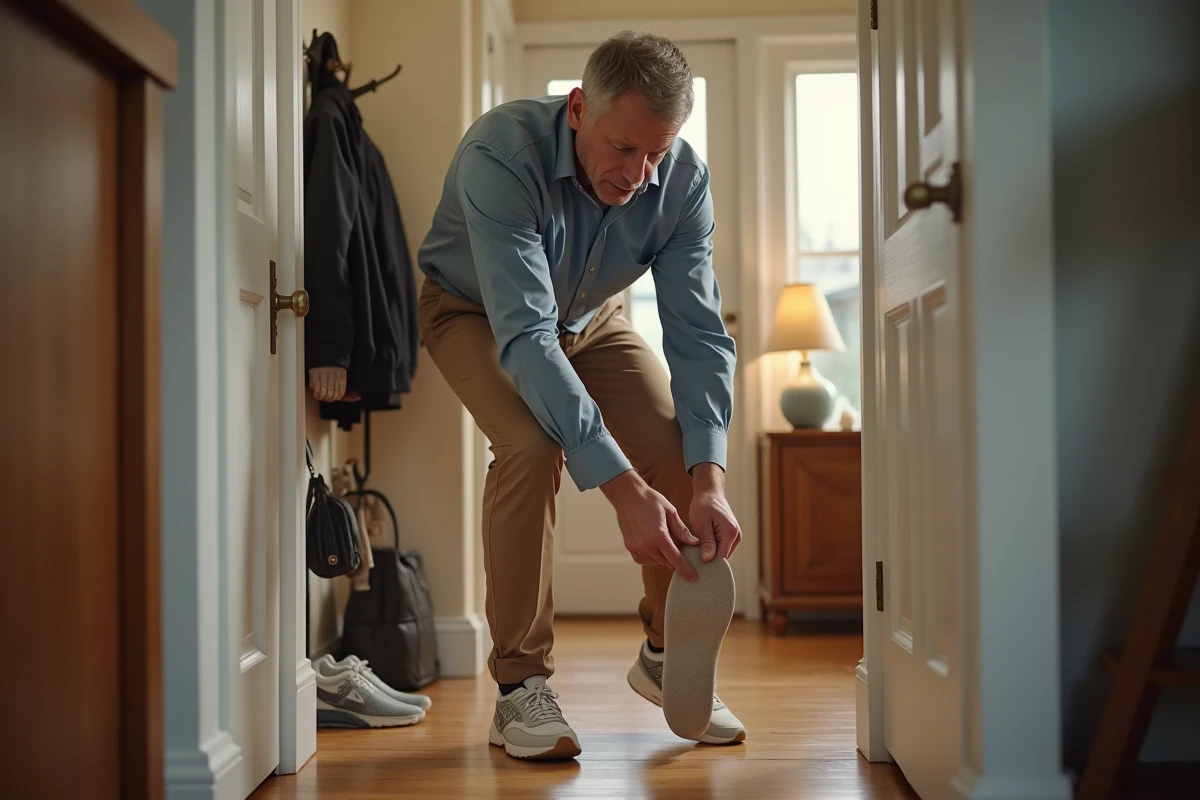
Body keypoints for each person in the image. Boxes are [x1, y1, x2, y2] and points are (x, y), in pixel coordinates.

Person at [417, 30, 744, 760]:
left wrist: (709, 482)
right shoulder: (501, 155)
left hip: (592, 320)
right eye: (623, 148)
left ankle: (665, 654)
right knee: (533, 447)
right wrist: (623, 492)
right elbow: (526, 333)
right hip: (474, 313)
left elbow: (698, 332)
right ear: (577, 109)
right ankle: (519, 687)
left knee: (675, 444)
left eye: (656, 153)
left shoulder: (682, 182)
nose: (637, 174)